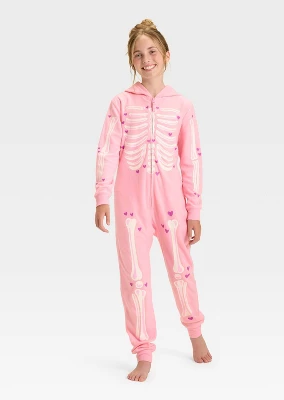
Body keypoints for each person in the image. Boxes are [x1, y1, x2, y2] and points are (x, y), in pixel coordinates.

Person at [94, 18, 212, 382]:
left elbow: (191, 158)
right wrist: (101, 196)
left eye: (152, 52)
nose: (146, 60)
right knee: (134, 277)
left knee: (181, 268)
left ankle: (195, 331)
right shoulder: (120, 102)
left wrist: (194, 210)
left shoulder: (182, 105)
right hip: (131, 206)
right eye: (138, 54)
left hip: (172, 204)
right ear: (131, 61)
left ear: (166, 55)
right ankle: (143, 350)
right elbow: (107, 150)